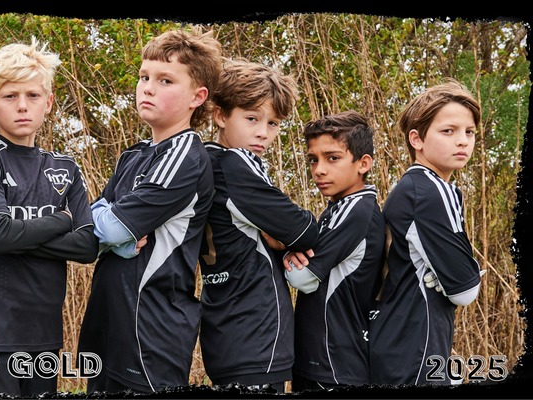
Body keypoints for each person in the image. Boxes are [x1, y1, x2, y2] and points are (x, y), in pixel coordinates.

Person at [0, 40, 97, 397]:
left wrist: (18, 235)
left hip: (43, 338)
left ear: (49, 101)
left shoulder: (66, 168)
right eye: (10, 96)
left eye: (32, 95)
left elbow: (88, 246)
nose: (22, 106)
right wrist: (61, 220)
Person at [78, 28, 221, 394]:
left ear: (197, 97)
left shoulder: (185, 156)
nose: (147, 88)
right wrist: (118, 235)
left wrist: (113, 228)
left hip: (149, 334)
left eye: (165, 80)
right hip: (111, 326)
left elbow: (109, 228)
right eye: (144, 77)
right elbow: (90, 225)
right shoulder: (133, 154)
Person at [198, 59, 317, 392]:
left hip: (225, 323)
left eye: (274, 123)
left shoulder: (204, 161)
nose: (264, 133)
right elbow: (305, 231)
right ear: (220, 115)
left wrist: (277, 238)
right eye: (252, 118)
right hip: (255, 329)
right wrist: (287, 236)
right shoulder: (234, 164)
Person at [368, 81, 482, 385]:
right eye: (448, 131)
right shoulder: (430, 191)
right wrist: (466, 274)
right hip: (415, 346)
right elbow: (465, 290)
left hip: (396, 340)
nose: (462, 141)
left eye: (469, 132)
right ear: (416, 139)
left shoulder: (410, 187)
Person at [280, 111, 385, 391]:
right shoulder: (339, 208)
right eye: (313, 159)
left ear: (363, 163)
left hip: (335, 364)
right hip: (323, 360)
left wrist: (287, 252)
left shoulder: (356, 210)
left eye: (332, 158)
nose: (319, 170)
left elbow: (303, 278)